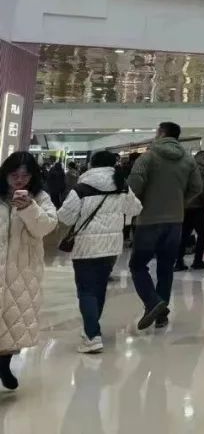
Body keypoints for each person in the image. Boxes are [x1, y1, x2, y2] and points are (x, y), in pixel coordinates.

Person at [56, 151, 142, 353]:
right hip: (111, 247)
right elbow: (136, 209)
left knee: (86, 290)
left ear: (91, 165)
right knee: (99, 288)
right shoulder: (122, 186)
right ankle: (91, 329)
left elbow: (65, 217)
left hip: (86, 247)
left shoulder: (81, 188)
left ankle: (92, 335)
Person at [127, 122, 201, 331]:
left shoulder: (148, 157)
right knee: (166, 267)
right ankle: (161, 315)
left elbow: (134, 186)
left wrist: (140, 203)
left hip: (149, 220)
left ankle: (153, 303)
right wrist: (180, 202)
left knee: (137, 265)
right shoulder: (188, 160)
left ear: (161, 133)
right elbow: (197, 187)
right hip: (175, 221)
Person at [0, 152, 57, 389]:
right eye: (14, 174)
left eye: (25, 175)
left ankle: (4, 366)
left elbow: (46, 227)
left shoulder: (40, 198)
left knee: (14, 322)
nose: (19, 180)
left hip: (22, 271)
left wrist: (28, 209)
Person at [176, 150, 204, 272]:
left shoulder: (185, 168)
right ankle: (197, 261)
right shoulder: (200, 169)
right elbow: (201, 189)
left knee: (184, 234)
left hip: (185, 207)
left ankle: (179, 262)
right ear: (203, 158)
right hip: (197, 207)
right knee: (203, 234)